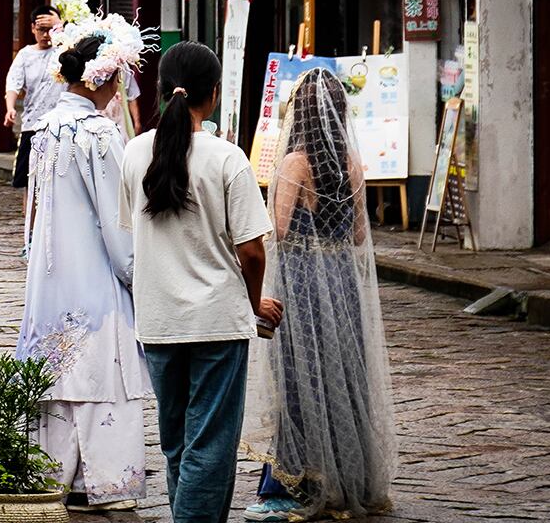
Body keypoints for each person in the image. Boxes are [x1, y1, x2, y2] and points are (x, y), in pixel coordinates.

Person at [120, 42, 281, 523]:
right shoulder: (227, 158)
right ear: (213, 94)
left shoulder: (133, 153)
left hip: (158, 321)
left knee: (177, 444)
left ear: (161, 90)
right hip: (217, 321)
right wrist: (255, 302)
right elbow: (252, 249)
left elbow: (134, 231)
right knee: (210, 446)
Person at [244, 67, 396, 522]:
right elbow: (358, 235)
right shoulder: (351, 161)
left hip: (304, 283)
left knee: (299, 375)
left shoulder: (295, 163)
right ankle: (349, 476)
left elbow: (281, 230)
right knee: (344, 374)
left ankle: (300, 478)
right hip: (342, 283)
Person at [18, 31, 150, 512]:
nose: (121, 90)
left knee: (56, 366)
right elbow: (119, 216)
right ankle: (106, 482)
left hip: (51, 271)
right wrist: (135, 269)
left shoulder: (45, 127)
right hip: (94, 270)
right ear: (105, 77)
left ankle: (52, 474)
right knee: (102, 369)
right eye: (120, 79)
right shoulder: (98, 133)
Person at [5, 5, 66, 193]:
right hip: (33, 124)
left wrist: (61, 26)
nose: (47, 35)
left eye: (51, 29)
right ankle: (29, 222)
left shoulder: (64, 51)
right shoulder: (25, 55)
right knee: (29, 182)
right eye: (42, 29)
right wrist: (10, 107)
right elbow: (13, 83)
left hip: (61, 125)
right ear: (33, 28)